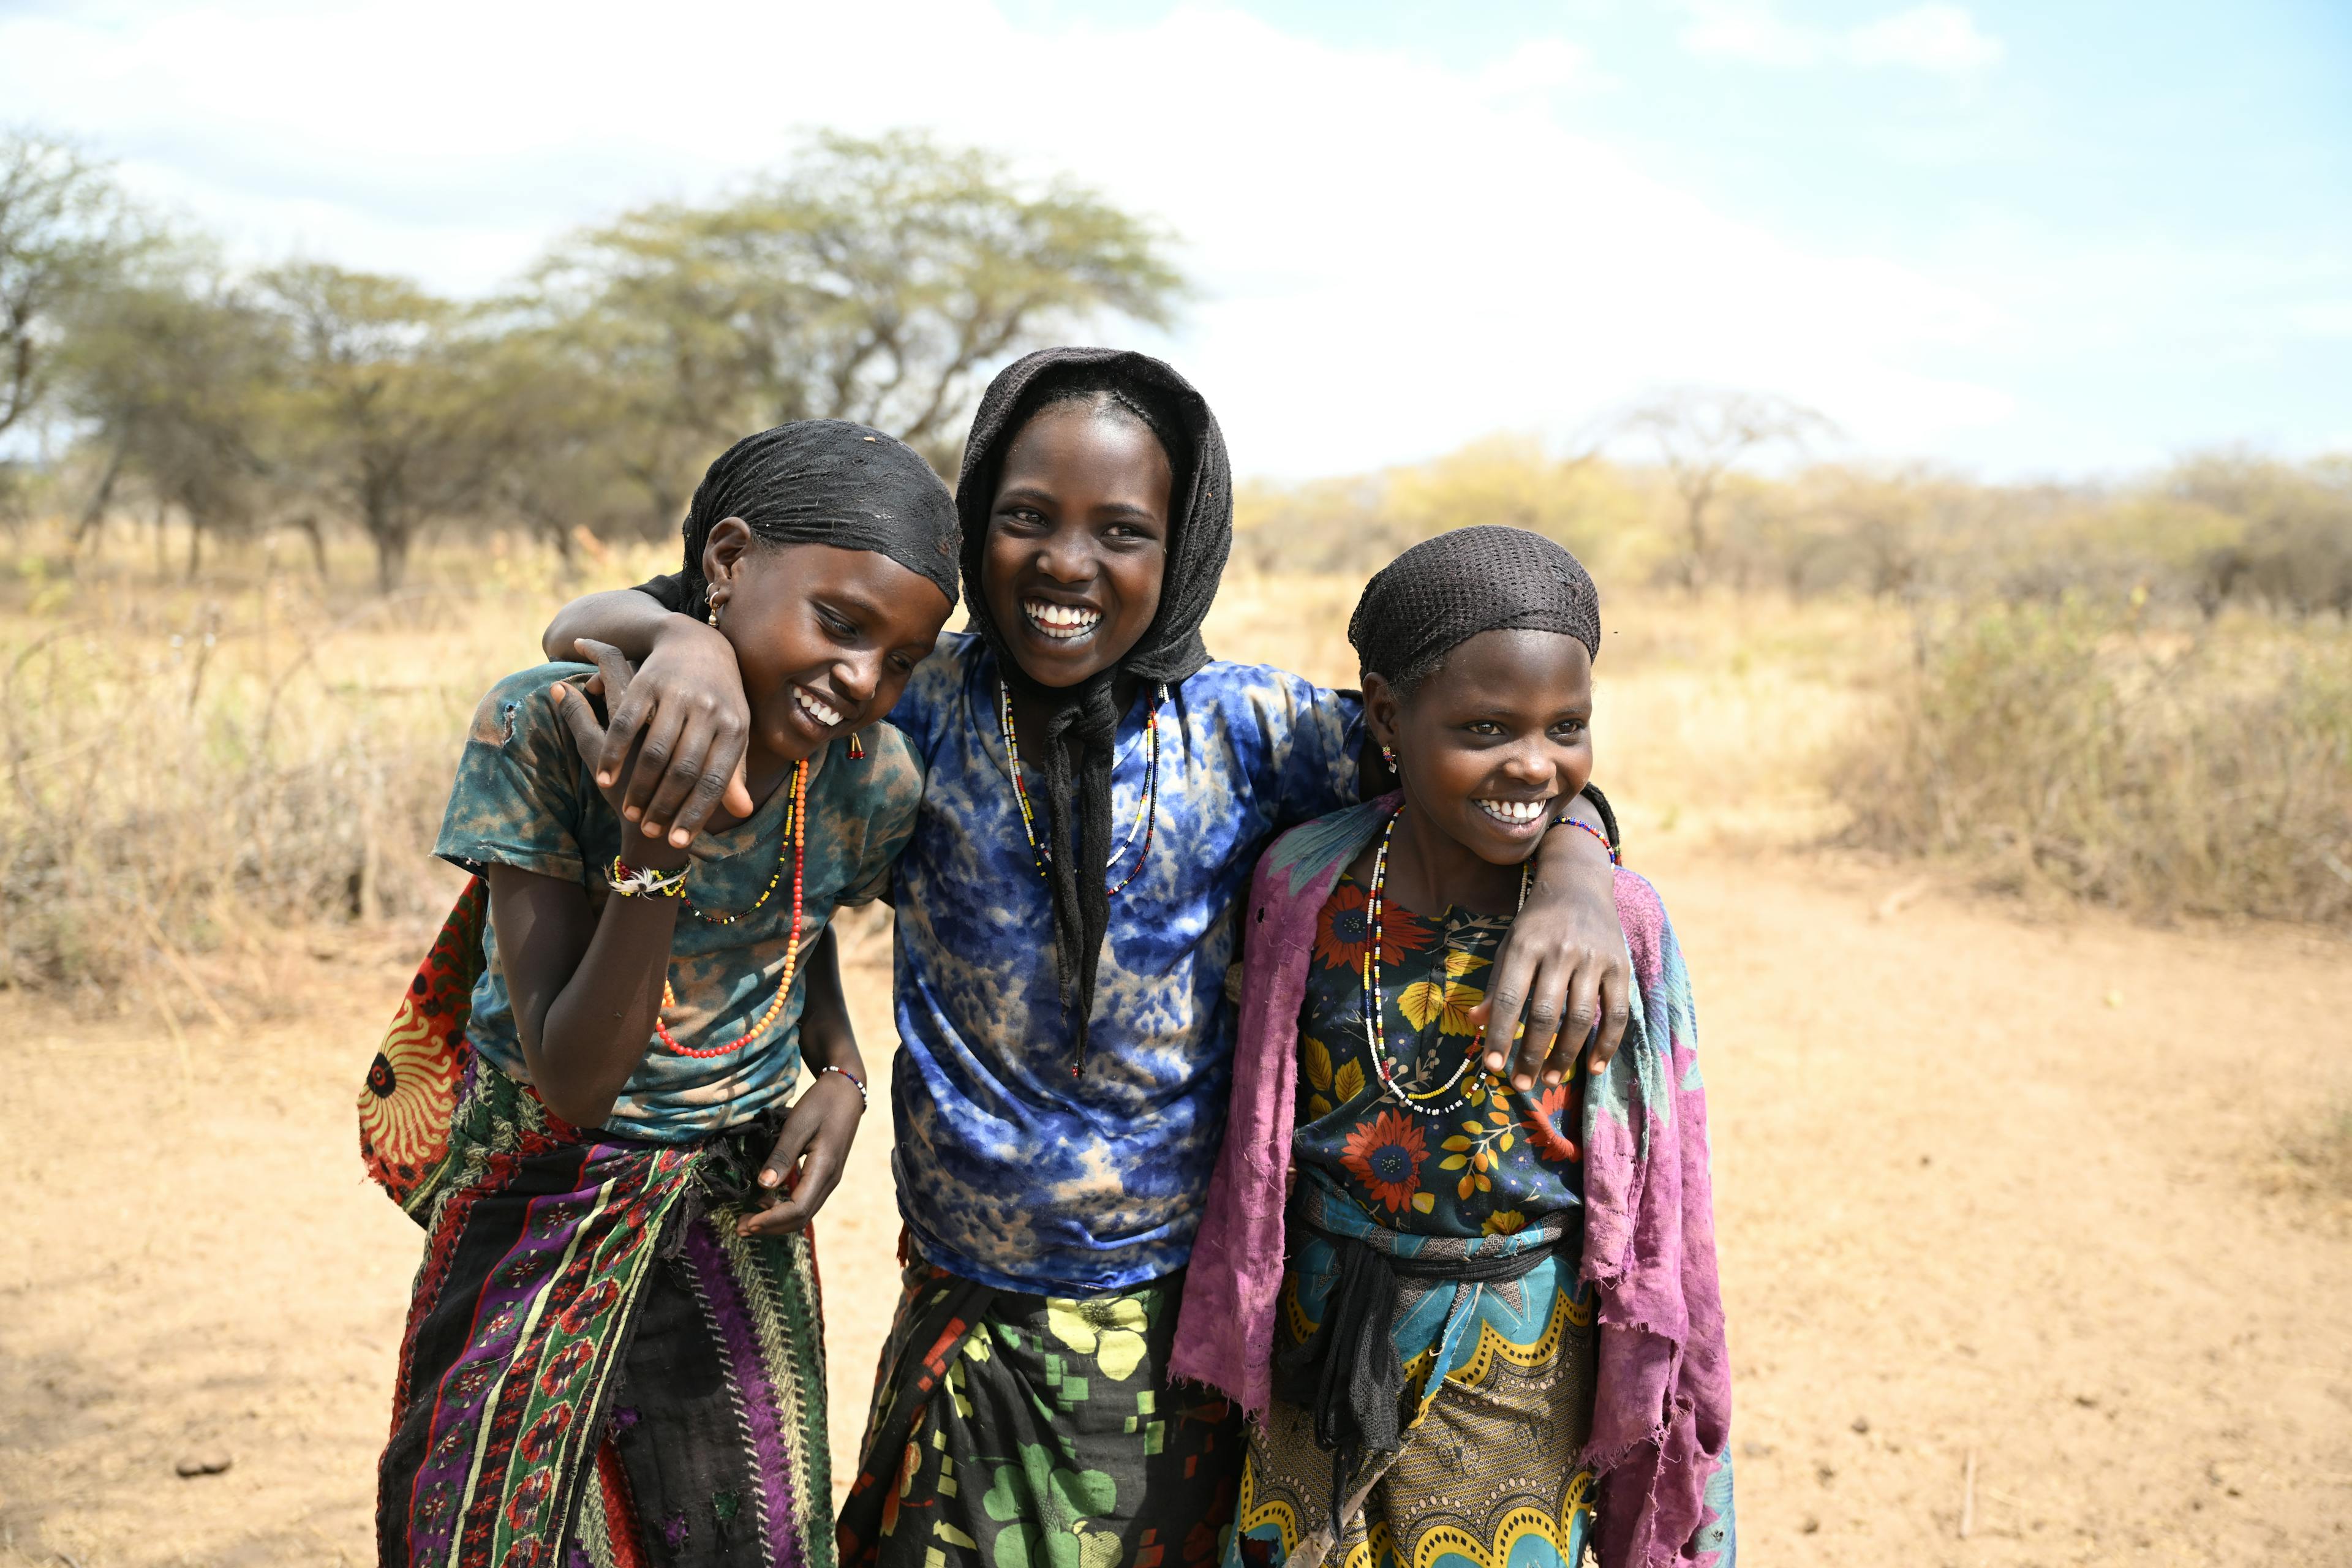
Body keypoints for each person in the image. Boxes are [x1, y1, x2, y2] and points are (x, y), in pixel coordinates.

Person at [538, 350, 1636, 1568]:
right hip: (962, 1307)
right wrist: (683, 642)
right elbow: (645, 686)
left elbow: (1489, 768)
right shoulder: (915, 700)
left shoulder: (1255, 732)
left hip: (1176, 1329)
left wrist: (1580, 863)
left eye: (1122, 529)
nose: (1067, 563)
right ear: (975, 527)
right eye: (1025, 518)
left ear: (1182, 551)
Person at [361, 420, 961, 1568]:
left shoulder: (865, 774)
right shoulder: (548, 725)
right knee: (492, 1527)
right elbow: (577, 1078)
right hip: (542, 1179)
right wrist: (656, 851)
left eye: (900, 660)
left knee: (748, 1529)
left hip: (736, 1202)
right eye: (840, 625)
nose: (863, 681)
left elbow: (801, 910)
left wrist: (836, 1067)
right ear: (726, 563)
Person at [1170, 527, 1736, 1568]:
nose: (1534, 763)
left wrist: (1581, 863)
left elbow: (1666, 1188)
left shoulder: (1619, 924)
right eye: (1485, 727)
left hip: (1519, 1367)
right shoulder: (1304, 884)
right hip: (1317, 1342)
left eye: (1568, 726)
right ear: (1386, 716)